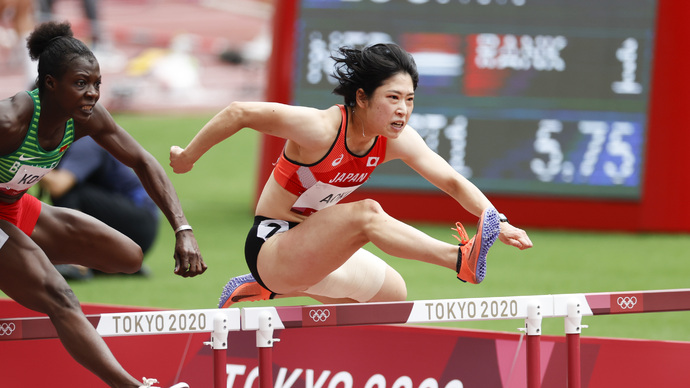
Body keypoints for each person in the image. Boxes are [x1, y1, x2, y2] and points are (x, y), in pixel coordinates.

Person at [169, 43, 532, 309]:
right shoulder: (320, 129)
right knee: (366, 214)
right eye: (393, 98)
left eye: (409, 99)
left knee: (392, 298)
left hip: (316, 250)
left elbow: (452, 181)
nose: (403, 110)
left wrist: (498, 222)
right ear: (361, 97)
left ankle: (268, 290)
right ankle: (459, 260)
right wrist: (188, 156)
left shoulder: (395, 140)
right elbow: (239, 112)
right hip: (273, 245)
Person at [0, 21, 205, 387]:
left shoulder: (86, 119)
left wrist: (182, 228)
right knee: (60, 296)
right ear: (50, 84)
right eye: (81, 84)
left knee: (128, 256)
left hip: (14, 207)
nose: (92, 94)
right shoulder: (10, 121)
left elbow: (142, 160)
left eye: (97, 84)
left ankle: (18, 264)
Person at [40, 136, 160, 279]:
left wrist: (23, 165)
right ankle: (116, 265)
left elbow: (58, 185)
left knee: (69, 192)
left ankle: (75, 263)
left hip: (140, 224)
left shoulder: (86, 142)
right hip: (132, 234)